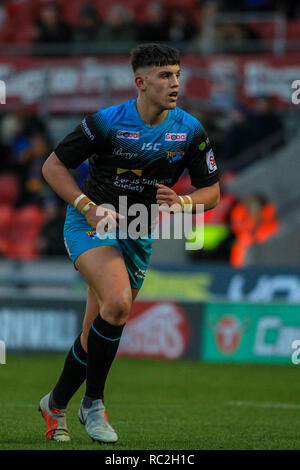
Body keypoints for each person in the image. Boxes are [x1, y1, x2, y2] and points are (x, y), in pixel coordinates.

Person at [39, 43, 220, 444]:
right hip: (94, 221)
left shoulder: (189, 130)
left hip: (139, 229)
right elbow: (53, 166)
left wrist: (184, 201)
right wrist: (86, 206)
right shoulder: (105, 122)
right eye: (165, 76)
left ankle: (54, 404)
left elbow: (213, 192)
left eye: (177, 75)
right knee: (118, 303)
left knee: (95, 333)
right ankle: (94, 404)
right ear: (141, 82)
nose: (175, 83)